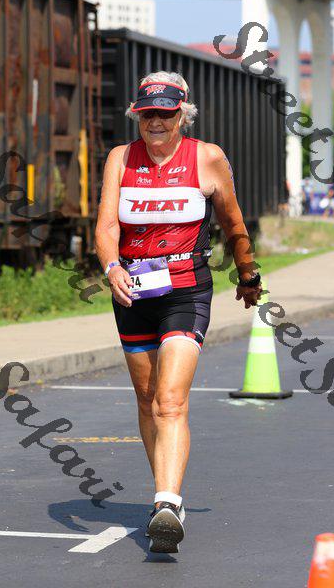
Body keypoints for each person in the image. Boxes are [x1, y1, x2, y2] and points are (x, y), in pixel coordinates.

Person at [94, 71, 262, 554]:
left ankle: (167, 502)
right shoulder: (120, 158)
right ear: (137, 115)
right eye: (147, 114)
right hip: (133, 292)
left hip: (186, 291)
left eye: (165, 114)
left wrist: (248, 274)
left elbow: (232, 221)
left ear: (182, 114)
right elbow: (106, 226)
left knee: (169, 400)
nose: (156, 122)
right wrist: (111, 267)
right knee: (147, 399)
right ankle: (164, 495)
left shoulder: (207, 158)